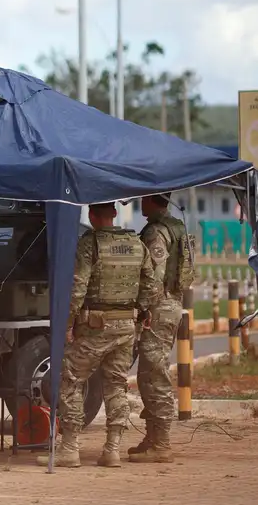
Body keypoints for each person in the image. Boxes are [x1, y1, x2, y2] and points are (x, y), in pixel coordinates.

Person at [37, 202, 162, 468]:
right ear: (114, 214)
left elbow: (78, 288)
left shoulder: (89, 244)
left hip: (94, 327)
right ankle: (112, 449)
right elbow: (151, 287)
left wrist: (67, 324)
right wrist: (139, 311)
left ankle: (70, 448)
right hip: (126, 327)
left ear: (92, 216)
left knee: (70, 379)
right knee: (116, 385)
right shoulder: (136, 244)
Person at [129, 193, 193, 463]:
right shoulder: (176, 226)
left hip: (160, 306)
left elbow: (154, 277)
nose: (140, 203)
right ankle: (153, 437)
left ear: (152, 200)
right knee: (148, 372)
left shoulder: (157, 232)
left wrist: (142, 308)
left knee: (154, 372)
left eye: (143, 199)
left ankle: (162, 443)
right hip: (170, 303)